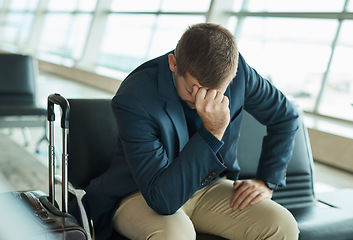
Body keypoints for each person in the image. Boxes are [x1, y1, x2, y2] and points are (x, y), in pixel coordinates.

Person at [81, 23, 300, 239]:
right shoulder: (134, 98)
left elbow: (286, 115)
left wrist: (267, 181)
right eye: (192, 89)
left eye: (215, 93)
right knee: (175, 235)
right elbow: (162, 201)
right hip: (141, 193)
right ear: (173, 63)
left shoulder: (239, 73)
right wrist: (212, 132)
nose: (202, 101)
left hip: (208, 187)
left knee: (281, 225)